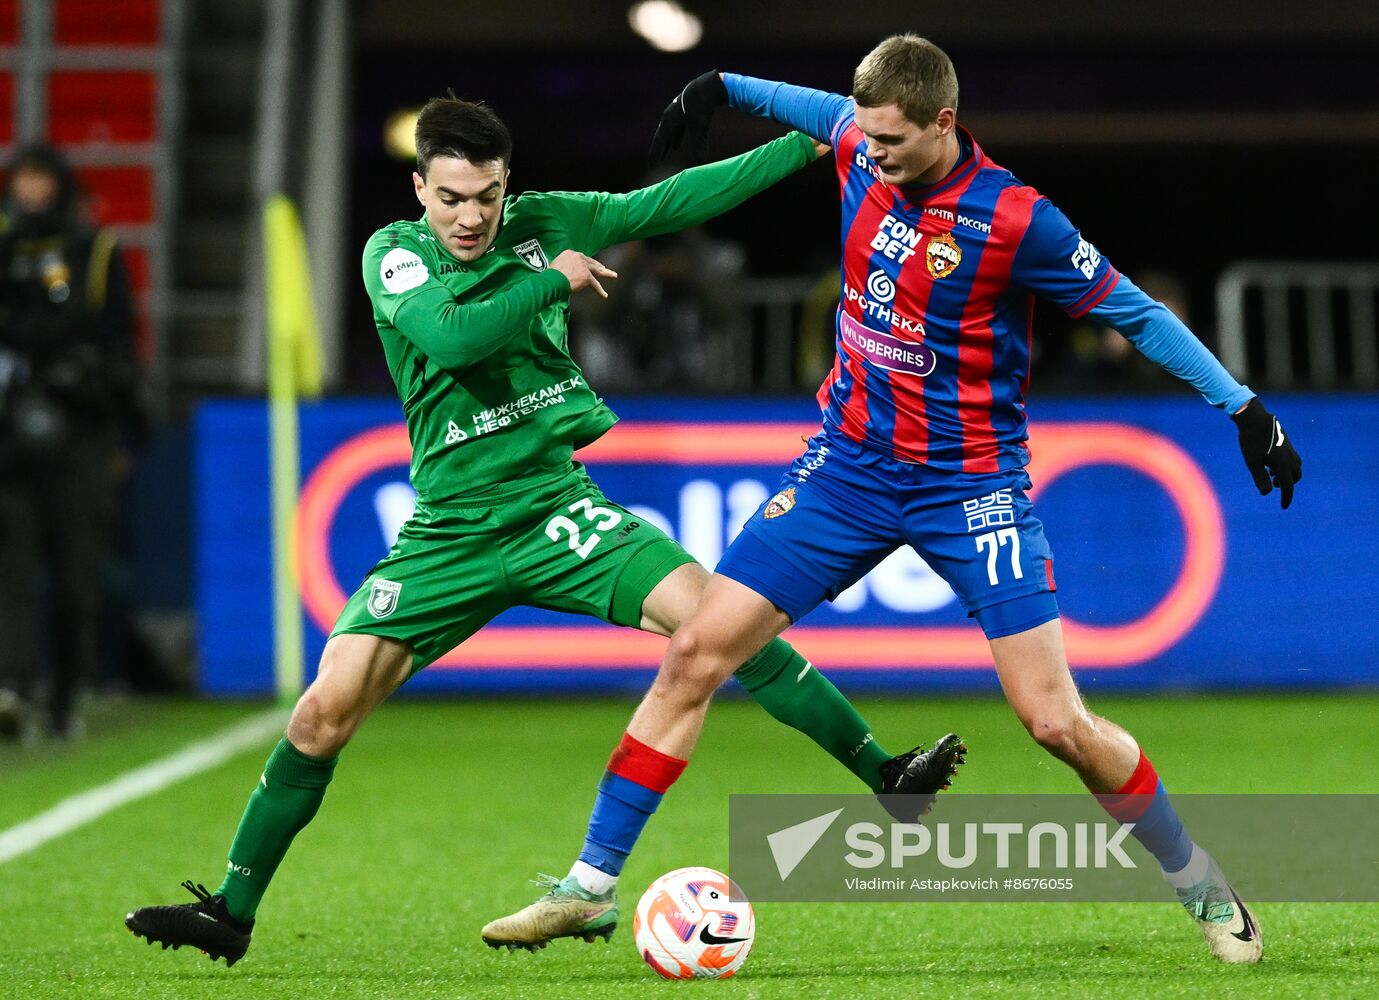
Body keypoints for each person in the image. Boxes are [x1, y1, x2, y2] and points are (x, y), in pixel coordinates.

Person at [505, 36, 1303, 965]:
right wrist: (720, 84)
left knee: (1055, 723)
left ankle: (1197, 880)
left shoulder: (1015, 219)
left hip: (971, 485)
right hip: (845, 471)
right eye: (863, 135)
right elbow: (814, 108)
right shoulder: (855, 136)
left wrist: (1242, 407)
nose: (867, 152)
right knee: (694, 652)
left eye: (889, 140)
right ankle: (587, 887)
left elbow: (1133, 312)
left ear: (943, 124)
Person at [123, 94, 966, 967]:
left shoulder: (547, 220)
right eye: (449, 196)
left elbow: (676, 202)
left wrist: (815, 138)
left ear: (505, 185)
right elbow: (451, 340)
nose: (468, 216)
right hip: (449, 531)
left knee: (721, 626)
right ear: (419, 188)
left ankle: (885, 774)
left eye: (484, 196)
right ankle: (232, 908)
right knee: (323, 712)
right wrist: (551, 280)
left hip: (557, 507)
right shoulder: (394, 255)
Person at [0, 144, 144, 741]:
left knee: (77, 572)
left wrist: (118, 425)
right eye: (23, 180)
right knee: (12, 564)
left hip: (81, 432)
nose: (33, 192)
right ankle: (12, 687)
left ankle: (65, 695)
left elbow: (122, 345)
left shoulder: (97, 252)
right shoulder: (4, 251)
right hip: (9, 436)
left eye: (42, 179)